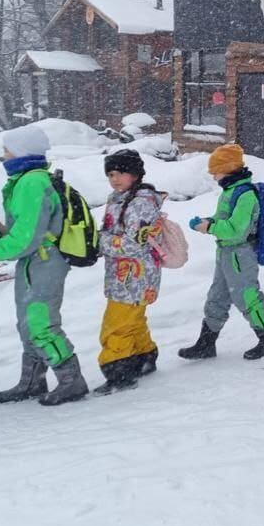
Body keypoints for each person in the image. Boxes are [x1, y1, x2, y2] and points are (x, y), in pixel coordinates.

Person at [0, 125, 89, 406]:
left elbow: (27, 237)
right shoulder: (26, 180)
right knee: (27, 323)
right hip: (35, 262)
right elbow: (26, 229)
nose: (3, 157)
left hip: (45, 262)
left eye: (7, 151)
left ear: (21, 152)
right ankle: (33, 381)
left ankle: (71, 380)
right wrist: (3, 232)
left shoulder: (32, 182)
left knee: (40, 322)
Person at [179, 144, 264, 359]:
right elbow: (225, 220)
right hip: (226, 253)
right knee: (216, 297)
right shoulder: (230, 190)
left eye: (215, 170)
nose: (213, 175)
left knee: (247, 296)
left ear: (228, 168)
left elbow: (237, 230)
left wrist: (210, 228)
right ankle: (206, 344)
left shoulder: (245, 195)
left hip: (240, 254)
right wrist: (210, 221)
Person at [95, 149, 166, 395]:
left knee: (116, 325)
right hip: (124, 274)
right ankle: (143, 356)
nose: (115, 179)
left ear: (134, 174)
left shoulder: (141, 204)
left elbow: (133, 243)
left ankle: (119, 372)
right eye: (111, 174)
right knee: (133, 320)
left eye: (121, 173)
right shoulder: (118, 198)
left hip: (135, 275)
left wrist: (98, 242)